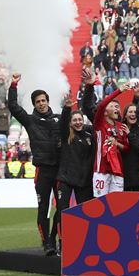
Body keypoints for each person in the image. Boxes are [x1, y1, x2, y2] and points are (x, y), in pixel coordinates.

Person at [8, 73, 62, 255]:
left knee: (62, 208)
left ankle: (56, 239)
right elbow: (13, 107)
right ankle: (46, 243)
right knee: (43, 208)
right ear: (34, 105)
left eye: (43, 100)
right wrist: (13, 85)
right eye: (37, 101)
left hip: (60, 170)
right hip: (43, 171)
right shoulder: (30, 121)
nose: (41, 103)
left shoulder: (59, 119)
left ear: (48, 101)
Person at [53, 90, 95, 255]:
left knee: (85, 213)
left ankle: (83, 242)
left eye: (80, 120)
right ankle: (62, 244)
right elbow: (63, 123)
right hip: (66, 179)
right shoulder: (66, 135)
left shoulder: (88, 134)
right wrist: (67, 109)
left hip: (84, 181)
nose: (78, 122)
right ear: (70, 122)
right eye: (75, 120)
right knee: (63, 211)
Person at [86, 70, 130, 197]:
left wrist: (117, 144)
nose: (117, 108)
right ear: (105, 111)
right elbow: (101, 105)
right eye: (113, 106)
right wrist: (119, 91)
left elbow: (126, 148)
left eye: (118, 107)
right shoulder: (99, 124)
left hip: (117, 171)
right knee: (100, 204)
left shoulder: (121, 127)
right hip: (101, 170)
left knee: (116, 205)